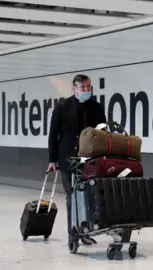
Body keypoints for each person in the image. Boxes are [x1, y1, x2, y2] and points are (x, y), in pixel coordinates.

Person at [47, 74, 106, 246]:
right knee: (71, 197)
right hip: (66, 159)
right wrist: (52, 159)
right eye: (83, 88)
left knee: (88, 196)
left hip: (89, 160)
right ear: (74, 89)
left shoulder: (96, 107)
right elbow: (53, 134)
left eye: (89, 87)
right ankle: (73, 234)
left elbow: (102, 132)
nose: (87, 90)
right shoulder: (62, 106)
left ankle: (85, 231)